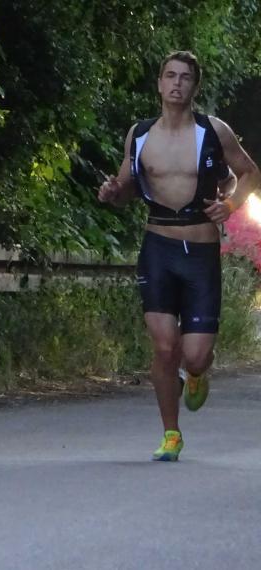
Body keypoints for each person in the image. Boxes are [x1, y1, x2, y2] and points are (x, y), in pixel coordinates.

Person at [98, 50, 261, 462]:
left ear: (194, 86)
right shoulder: (139, 134)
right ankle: (171, 434)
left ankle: (199, 373)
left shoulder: (214, 131)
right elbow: (127, 186)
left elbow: (249, 173)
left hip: (200, 251)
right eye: (170, 76)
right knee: (165, 347)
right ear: (159, 84)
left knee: (195, 354)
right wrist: (113, 193)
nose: (176, 83)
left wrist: (231, 205)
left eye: (185, 77)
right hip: (158, 247)